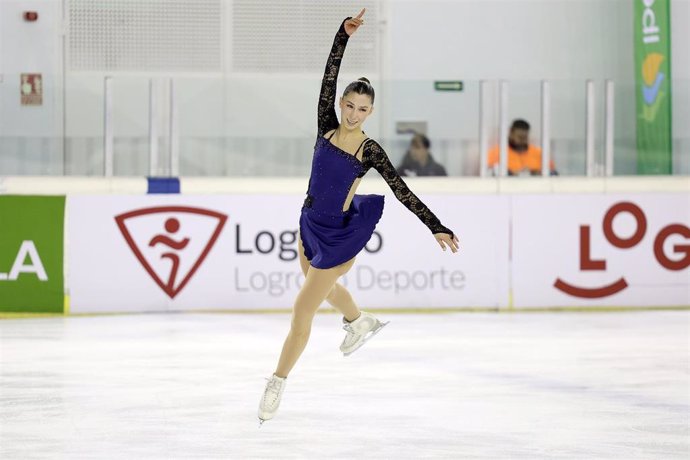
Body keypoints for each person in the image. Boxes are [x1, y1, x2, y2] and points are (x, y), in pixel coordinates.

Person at [258, 9, 459, 424]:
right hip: (308, 226)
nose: (352, 113)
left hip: (338, 237)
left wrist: (435, 224)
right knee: (326, 292)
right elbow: (328, 77)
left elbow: (402, 190)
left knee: (301, 311)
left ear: (370, 112)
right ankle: (358, 320)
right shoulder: (326, 128)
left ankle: (277, 381)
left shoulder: (369, 150)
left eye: (361, 109)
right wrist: (342, 35)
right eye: (349, 105)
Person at [487, 119, 557, 176]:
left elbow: (553, 173)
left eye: (525, 137)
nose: (522, 140)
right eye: (519, 137)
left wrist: (536, 173)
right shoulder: (497, 153)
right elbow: (489, 173)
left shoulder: (539, 154)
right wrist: (511, 174)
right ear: (510, 133)